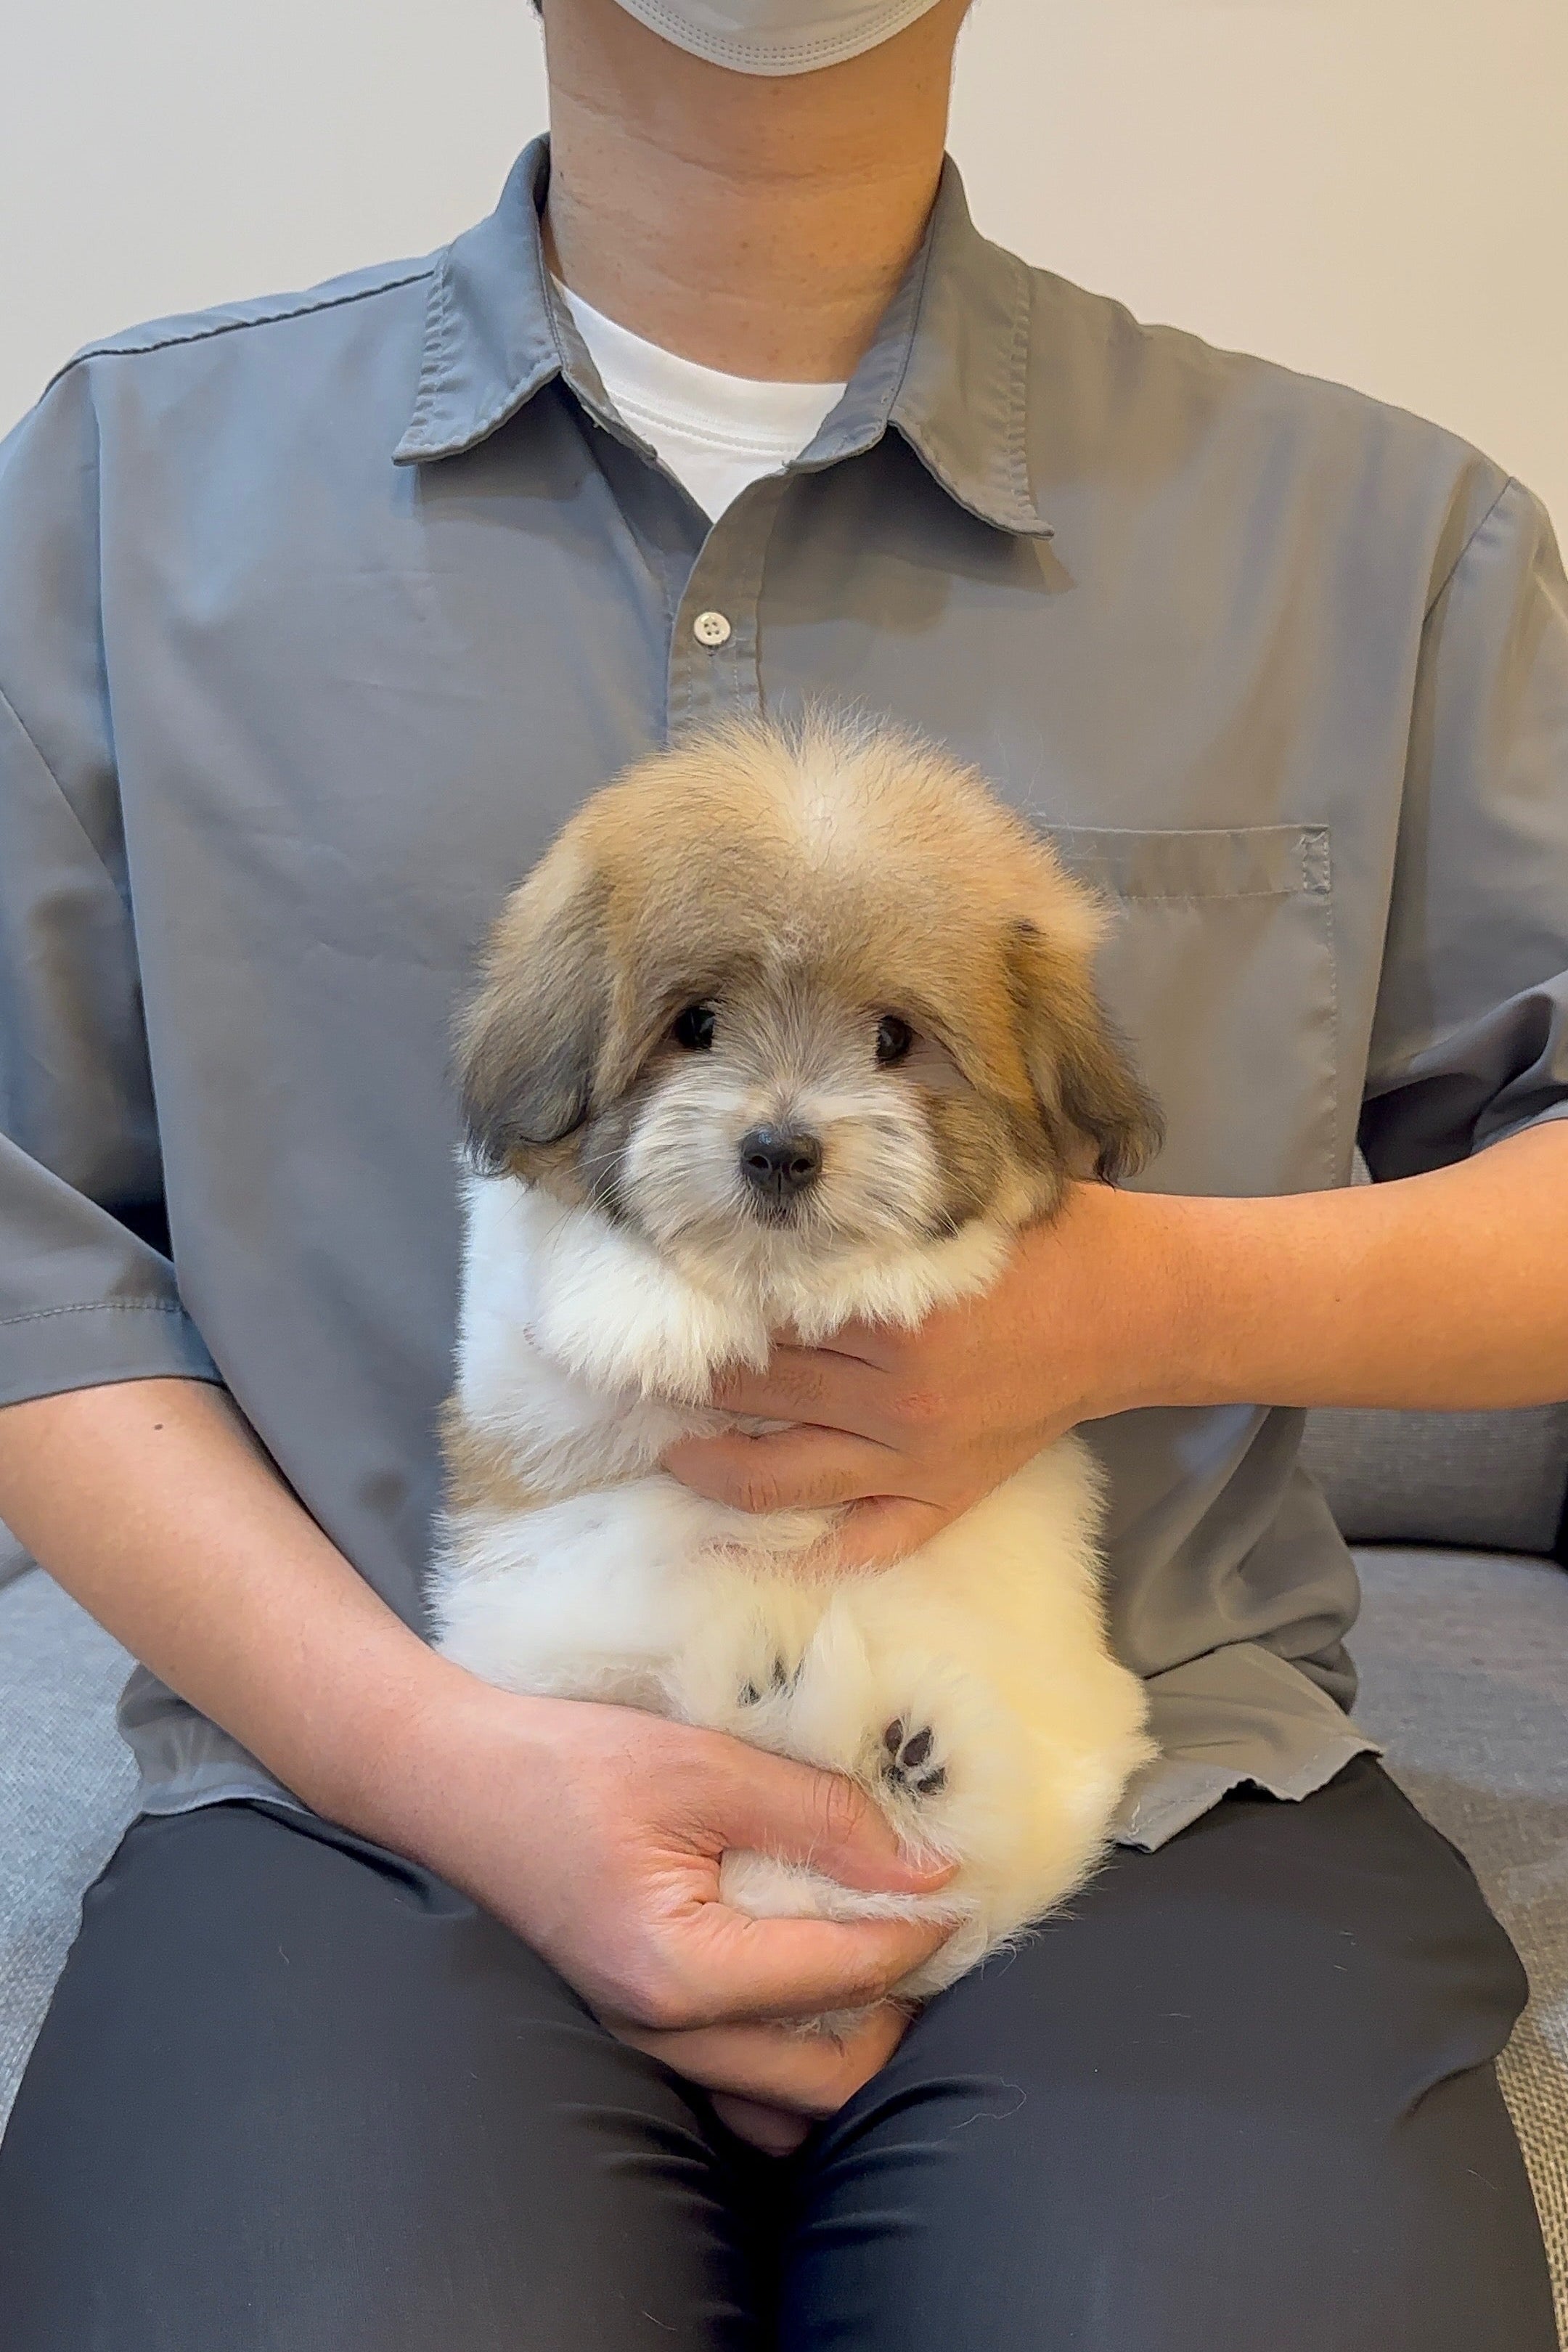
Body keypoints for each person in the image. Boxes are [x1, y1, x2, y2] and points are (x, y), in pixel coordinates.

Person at [0, 0, 1561, 2340]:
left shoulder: (1381, 534)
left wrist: (1122, 1308)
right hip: (371, 1787)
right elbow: (31, 1243)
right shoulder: (126, 485)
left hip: (1141, 1794)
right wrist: (432, 1759)